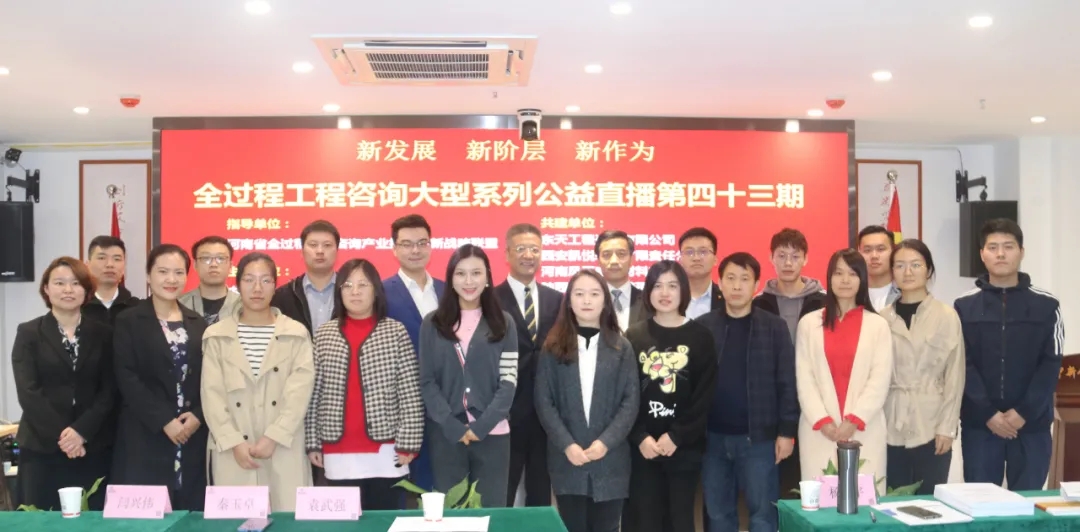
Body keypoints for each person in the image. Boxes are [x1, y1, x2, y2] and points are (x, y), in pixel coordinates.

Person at [305, 259, 424, 510]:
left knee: (385, 520)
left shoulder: (395, 332)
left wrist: (409, 442)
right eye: (347, 285)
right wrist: (313, 441)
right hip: (337, 449)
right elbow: (314, 393)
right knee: (346, 523)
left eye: (363, 285)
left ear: (376, 290)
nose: (355, 291)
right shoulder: (324, 334)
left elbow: (410, 393)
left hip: (387, 449)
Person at [954, 219, 1063, 491]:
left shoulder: (1047, 305)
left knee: (1027, 503)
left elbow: (1051, 364)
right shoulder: (964, 306)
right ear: (982, 254)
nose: (1000, 254)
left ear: (1021, 252)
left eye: (1008, 246)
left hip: (1031, 425)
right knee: (979, 503)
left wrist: (1024, 412)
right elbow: (961, 364)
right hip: (981, 425)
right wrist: (988, 413)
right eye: (993, 247)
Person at [202, 252, 315, 511]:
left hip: (283, 445)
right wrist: (234, 441)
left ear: (275, 286)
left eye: (265, 280)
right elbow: (212, 395)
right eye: (249, 280)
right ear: (237, 284)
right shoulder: (216, 336)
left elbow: (299, 393)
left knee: (288, 519)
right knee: (235, 521)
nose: (257, 288)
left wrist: (274, 436)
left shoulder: (296, 333)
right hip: (232, 450)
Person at [697, 253, 799, 532]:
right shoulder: (704, 327)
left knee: (763, 515)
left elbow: (787, 382)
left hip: (760, 440)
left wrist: (786, 432)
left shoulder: (774, 327)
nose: (737, 286)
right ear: (720, 283)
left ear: (756, 285)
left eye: (744, 279)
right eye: (730, 278)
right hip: (713, 440)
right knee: (718, 516)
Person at [535, 269, 639, 532]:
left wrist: (605, 443)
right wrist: (567, 444)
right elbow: (544, 401)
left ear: (605, 301)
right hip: (567, 459)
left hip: (611, 459)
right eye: (579, 294)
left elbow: (630, 402)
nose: (587, 300)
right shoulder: (552, 347)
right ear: (569, 301)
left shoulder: (621, 347)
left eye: (594, 294)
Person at [10, 257, 115, 510]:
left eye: (76, 283)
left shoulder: (103, 333)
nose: (68, 289)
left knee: (91, 520)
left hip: (91, 445)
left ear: (87, 290)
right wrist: (65, 437)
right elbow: (28, 391)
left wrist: (81, 432)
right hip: (42, 448)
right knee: (40, 521)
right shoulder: (29, 333)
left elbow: (110, 390)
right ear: (46, 289)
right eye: (59, 283)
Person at [418, 244, 518, 507]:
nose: (469, 281)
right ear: (451, 279)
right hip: (447, 434)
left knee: (491, 511)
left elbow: (508, 382)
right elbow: (427, 381)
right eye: (461, 273)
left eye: (476, 273)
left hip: (493, 433)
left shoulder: (504, 322)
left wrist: (481, 426)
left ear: (487, 277)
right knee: (452, 514)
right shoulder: (432, 323)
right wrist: (452, 425)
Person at [112, 244, 208, 510]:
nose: (171, 279)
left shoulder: (198, 323)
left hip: (190, 435)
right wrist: (164, 420)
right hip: (145, 434)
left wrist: (198, 415)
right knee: (147, 517)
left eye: (178, 272)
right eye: (163, 271)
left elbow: (210, 378)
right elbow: (126, 376)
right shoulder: (128, 320)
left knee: (190, 514)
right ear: (148, 275)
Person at [623, 261, 717, 532]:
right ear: (648, 292)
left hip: (684, 449)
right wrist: (640, 436)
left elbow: (704, 396)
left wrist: (677, 436)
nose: (665, 293)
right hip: (643, 449)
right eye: (658, 286)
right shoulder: (634, 336)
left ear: (683, 291)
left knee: (680, 520)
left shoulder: (701, 337)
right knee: (645, 521)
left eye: (672, 286)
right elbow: (625, 393)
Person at [795, 249, 892, 495]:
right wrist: (823, 421)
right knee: (820, 503)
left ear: (862, 279)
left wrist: (854, 420)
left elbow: (879, 380)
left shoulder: (878, 325)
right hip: (819, 432)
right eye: (838, 273)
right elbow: (805, 379)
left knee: (865, 502)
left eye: (852, 273)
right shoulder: (809, 323)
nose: (845, 280)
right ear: (829, 278)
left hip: (864, 429)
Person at [880, 239, 964, 495]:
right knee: (892, 501)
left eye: (915, 265)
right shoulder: (881, 319)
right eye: (900, 265)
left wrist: (947, 427)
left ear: (928, 270)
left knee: (930, 503)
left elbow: (955, 375)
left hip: (932, 423)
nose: (908, 272)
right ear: (892, 272)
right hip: (890, 423)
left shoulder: (946, 316)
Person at [753, 227, 825, 500]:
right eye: (781, 255)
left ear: (806, 259)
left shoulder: (823, 302)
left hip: (816, 397)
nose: (788, 263)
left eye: (795, 256)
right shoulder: (759, 303)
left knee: (810, 474)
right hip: (771, 400)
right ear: (771, 258)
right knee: (773, 481)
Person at [495, 223, 562, 507]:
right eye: (521, 248)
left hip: (546, 416)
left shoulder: (557, 299)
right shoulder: (490, 299)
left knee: (541, 493)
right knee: (502, 491)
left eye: (534, 249)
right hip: (505, 413)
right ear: (507, 254)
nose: (528, 255)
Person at [383, 214, 445, 491]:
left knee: (439, 482)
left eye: (422, 243)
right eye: (407, 244)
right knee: (399, 486)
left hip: (444, 402)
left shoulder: (448, 290)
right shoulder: (380, 292)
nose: (415, 250)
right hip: (398, 405)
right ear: (394, 249)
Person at [271, 220, 340, 336]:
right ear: (302, 251)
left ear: (337, 251)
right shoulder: (283, 296)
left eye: (327, 245)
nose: (320, 251)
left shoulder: (350, 292)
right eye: (313, 245)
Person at [179, 235, 239, 325]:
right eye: (206, 258)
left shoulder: (243, 306)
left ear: (230, 266)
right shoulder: (179, 305)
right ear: (195, 265)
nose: (213, 264)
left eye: (220, 258)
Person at [82, 235, 140, 325]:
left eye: (117, 259)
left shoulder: (137, 309)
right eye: (102, 258)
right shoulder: (77, 306)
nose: (110, 264)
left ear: (124, 268)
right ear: (87, 265)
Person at [595, 230, 645, 330]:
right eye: (606, 255)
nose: (614, 261)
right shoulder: (588, 302)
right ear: (598, 261)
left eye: (621, 254)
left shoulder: (648, 301)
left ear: (632, 260)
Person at [677, 227, 723, 319]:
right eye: (689, 252)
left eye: (703, 252)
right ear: (680, 260)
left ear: (715, 259)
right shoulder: (669, 297)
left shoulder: (726, 298)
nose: (696, 258)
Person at [857, 226, 899, 311]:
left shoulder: (905, 294)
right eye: (867, 250)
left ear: (893, 252)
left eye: (880, 249)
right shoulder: (851, 295)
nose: (874, 256)